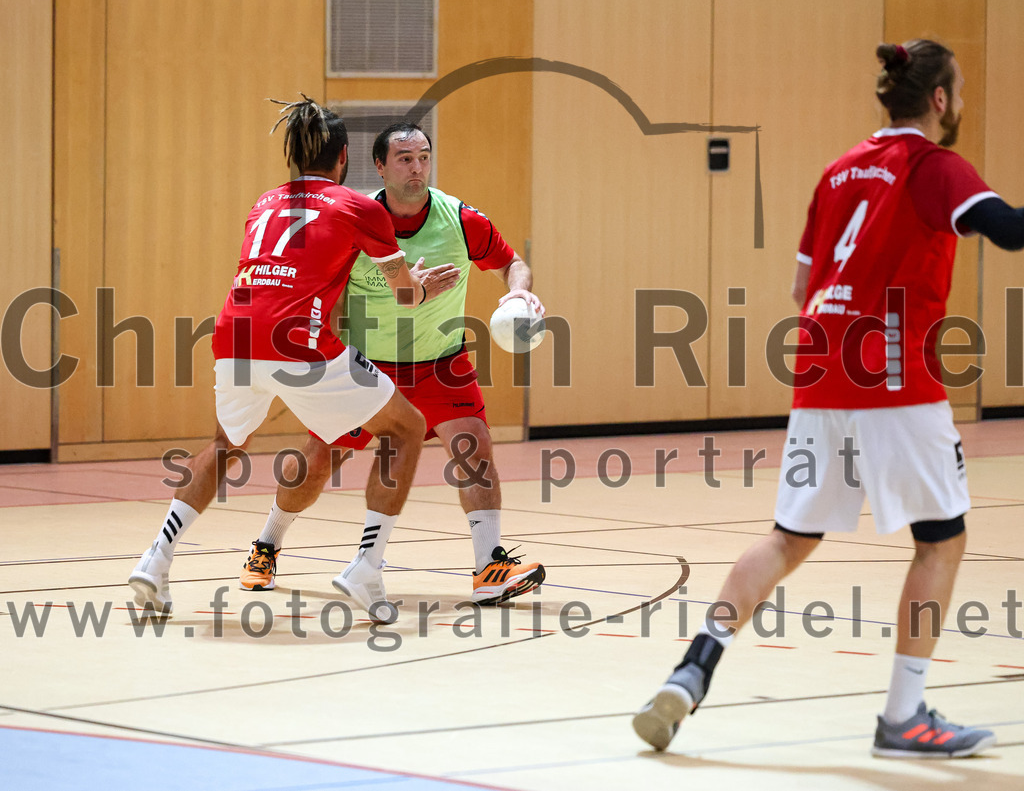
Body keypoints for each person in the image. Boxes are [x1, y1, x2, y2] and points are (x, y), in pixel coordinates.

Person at [634, 40, 1024, 757]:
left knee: (788, 537)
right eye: (959, 92)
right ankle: (903, 717)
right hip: (895, 375)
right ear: (939, 99)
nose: (960, 104)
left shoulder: (841, 169)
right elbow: (1010, 230)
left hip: (820, 370)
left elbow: (799, 287)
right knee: (942, 538)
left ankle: (694, 667)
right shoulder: (935, 167)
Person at [129, 98, 449, 624]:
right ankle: (366, 566)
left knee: (224, 444)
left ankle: (155, 558)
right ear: (345, 158)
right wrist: (422, 285)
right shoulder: (360, 207)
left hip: (234, 334)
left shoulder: (264, 201)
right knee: (407, 429)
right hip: (300, 343)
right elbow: (406, 296)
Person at [237, 121, 547, 606]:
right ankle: (267, 544)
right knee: (317, 463)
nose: (416, 167)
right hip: (368, 365)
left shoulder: (462, 219)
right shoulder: (353, 217)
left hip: (442, 362)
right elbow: (327, 294)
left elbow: (512, 262)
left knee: (476, 449)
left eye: (423, 157)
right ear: (379, 166)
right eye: (404, 158)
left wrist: (519, 291)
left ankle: (490, 566)